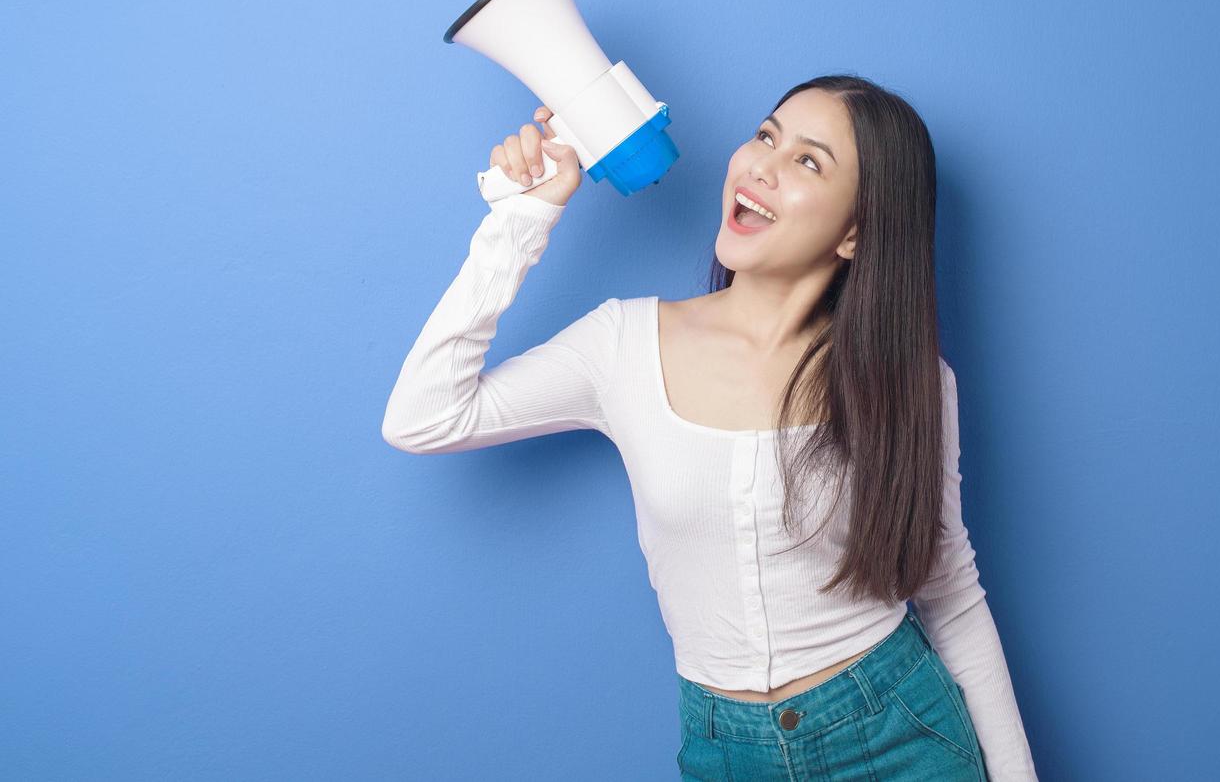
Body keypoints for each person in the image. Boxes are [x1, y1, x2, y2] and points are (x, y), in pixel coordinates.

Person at [381, 74, 1039, 781]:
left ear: (855, 232)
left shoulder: (909, 381)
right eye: (765, 135)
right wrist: (523, 217)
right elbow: (423, 416)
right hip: (727, 754)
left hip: (900, 735)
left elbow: (951, 592)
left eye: (807, 161)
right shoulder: (620, 346)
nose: (761, 164)